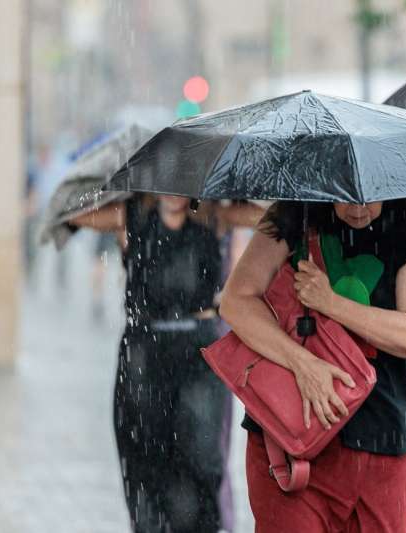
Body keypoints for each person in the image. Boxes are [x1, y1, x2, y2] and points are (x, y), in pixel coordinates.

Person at [219, 199, 406, 533]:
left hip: (381, 438)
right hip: (291, 440)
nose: (358, 209)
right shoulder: (295, 212)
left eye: (370, 198)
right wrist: (303, 364)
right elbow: (236, 302)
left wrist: (330, 303)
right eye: (346, 198)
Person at [70, 195, 262, 533]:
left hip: (200, 351)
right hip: (144, 352)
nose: (173, 189)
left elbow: (271, 218)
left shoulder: (213, 214)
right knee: (144, 462)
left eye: (182, 179)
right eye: (164, 178)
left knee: (203, 462)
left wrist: (236, 191)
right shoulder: (129, 216)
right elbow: (71, 213)